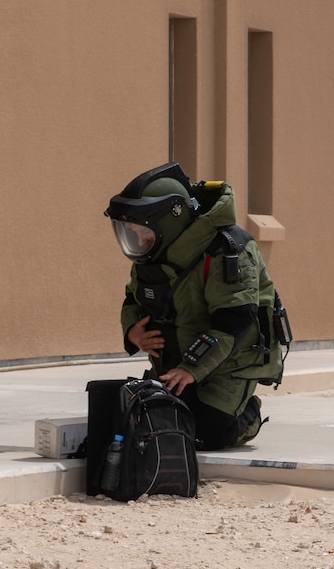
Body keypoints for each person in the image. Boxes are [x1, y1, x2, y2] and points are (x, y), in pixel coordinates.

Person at [105, 163, 288, 449]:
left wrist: (192, 368)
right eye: (131, 233)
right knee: (149, 422)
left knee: (206, 434)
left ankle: (247, 413)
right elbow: (133, 299)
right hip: (176, 359)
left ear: (169, 224)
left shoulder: (227, 251)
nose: (139, 241)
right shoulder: (153, 256)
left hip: (231, 361)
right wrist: (132, 331)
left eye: (144, 233)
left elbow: (235, 321)